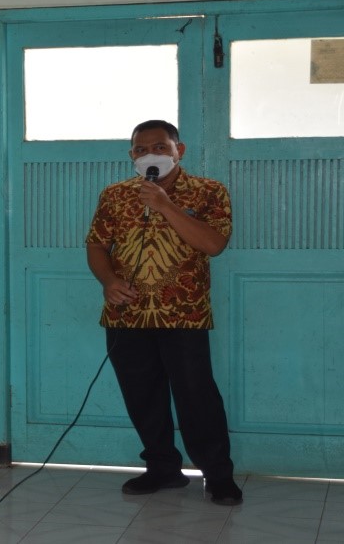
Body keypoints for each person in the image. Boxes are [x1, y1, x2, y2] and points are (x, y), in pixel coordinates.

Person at [85, 119, 242, 506]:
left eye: (159, 147)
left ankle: (218, 475)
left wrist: (165, 205)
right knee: (142, 396)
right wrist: (108, 281)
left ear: (178, 151)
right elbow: (97, 245)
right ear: (131, 155)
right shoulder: (115, 195)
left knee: (197, 396)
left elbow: (214, 244)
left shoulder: (209, 191)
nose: (150, 154)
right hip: (127, 315)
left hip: (184, 313)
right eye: (141, 149)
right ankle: (162, 468)